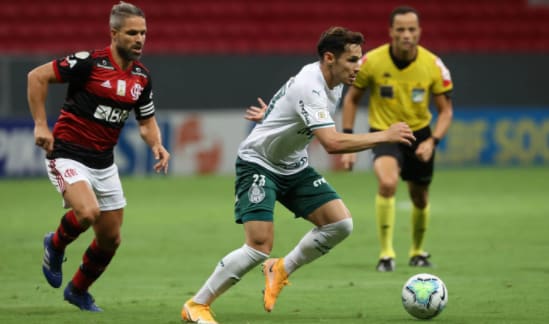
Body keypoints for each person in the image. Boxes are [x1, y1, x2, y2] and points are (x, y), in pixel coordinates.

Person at [180, 26, 415, 324]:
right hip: (259, 163)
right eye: (352, 60)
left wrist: (273, 116)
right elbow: (331, 143)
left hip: (293, 165)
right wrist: (385, 135)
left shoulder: (336, 82)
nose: (359, 66)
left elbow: (291, 105)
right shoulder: (311, 84)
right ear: (329, 58)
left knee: (340, 224)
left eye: (360, 59)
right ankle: (197, 305)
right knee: (259, 245)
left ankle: (280, 270)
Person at [27, 1, 170, 311]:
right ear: (114, 33)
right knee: (88, 212)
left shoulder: (142, 79)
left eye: (143, 33)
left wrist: (156, 144)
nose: (140, 39)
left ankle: (78, 290)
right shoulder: (89, 63)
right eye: (132, 32)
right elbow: (36, 77)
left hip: (104, 162)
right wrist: (41, 124)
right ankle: (55, 243)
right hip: (66, 153)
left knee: (110, 239)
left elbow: (146, 123)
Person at [340, 6, 454, 272]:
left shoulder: (433, 65)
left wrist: (433, 141)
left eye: (411, 29)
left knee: (420, 197)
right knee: (388, 183)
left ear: (419, 32)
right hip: (385, 133)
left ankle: (417, 251)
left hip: (420, 134)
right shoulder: (372, 62)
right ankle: (386, 254)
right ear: (391, 31)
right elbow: (352, 99)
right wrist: (347, 141)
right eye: (400, 29)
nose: (406, 35)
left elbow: (446, 111)